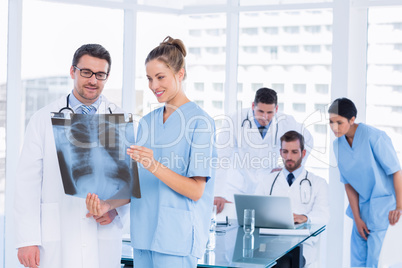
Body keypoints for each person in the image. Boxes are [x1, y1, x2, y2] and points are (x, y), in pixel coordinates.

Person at [86, 36, 216, 268]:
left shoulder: (200, 123)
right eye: (149, 78)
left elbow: (196, 190)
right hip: (144, 236)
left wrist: (153, 165)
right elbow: (138, 184)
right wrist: (108, 205)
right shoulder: (147, 122)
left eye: (160, 77)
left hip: (177, 238)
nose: (153, 86)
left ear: (180, 74)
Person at [14, 44, 128, 268]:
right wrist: (27, 240)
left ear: (107, 77)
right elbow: (27, 183)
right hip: (57, 233)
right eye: (86, 72)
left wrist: (115, 211)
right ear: (72, 71)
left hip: (102, 234)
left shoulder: (120, 120)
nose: (93, 80)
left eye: (100, 74)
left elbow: (128, 181)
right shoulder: (42, 119)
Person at [214, 87, 314, 213]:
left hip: (268, 186)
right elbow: (221, 156)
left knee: (266, 226)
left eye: (270, 112)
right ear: (252, 106)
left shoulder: (286, 122)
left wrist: (290, 168)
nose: (265, 117)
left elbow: (308, 141)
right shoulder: (235, 119)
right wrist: (217, 192)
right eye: (260, 111)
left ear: (276, 109)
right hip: (237, 186)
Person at [328, 97, 402, 267]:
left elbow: (396, 171)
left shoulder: (374, 137)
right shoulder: (337, 145)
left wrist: (399, 206)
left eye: (339, 122)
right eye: (331, 122)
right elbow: (348, 183)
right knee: (357, 262)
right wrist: (357, 218)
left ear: (352, 119)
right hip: (361, 211)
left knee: (375, 263)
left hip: (384, 210)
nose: (334, 128)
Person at [255, 130, 329, 267]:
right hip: (271, 242)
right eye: (285, 152)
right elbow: (255, 210)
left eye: (294, 152)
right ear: (280, 152)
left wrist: (305, 217)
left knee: (282, 264)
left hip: (302, 244)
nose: (289, 156)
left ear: (303, 153)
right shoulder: (267, 181)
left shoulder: (318, 183)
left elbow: (324, 215)